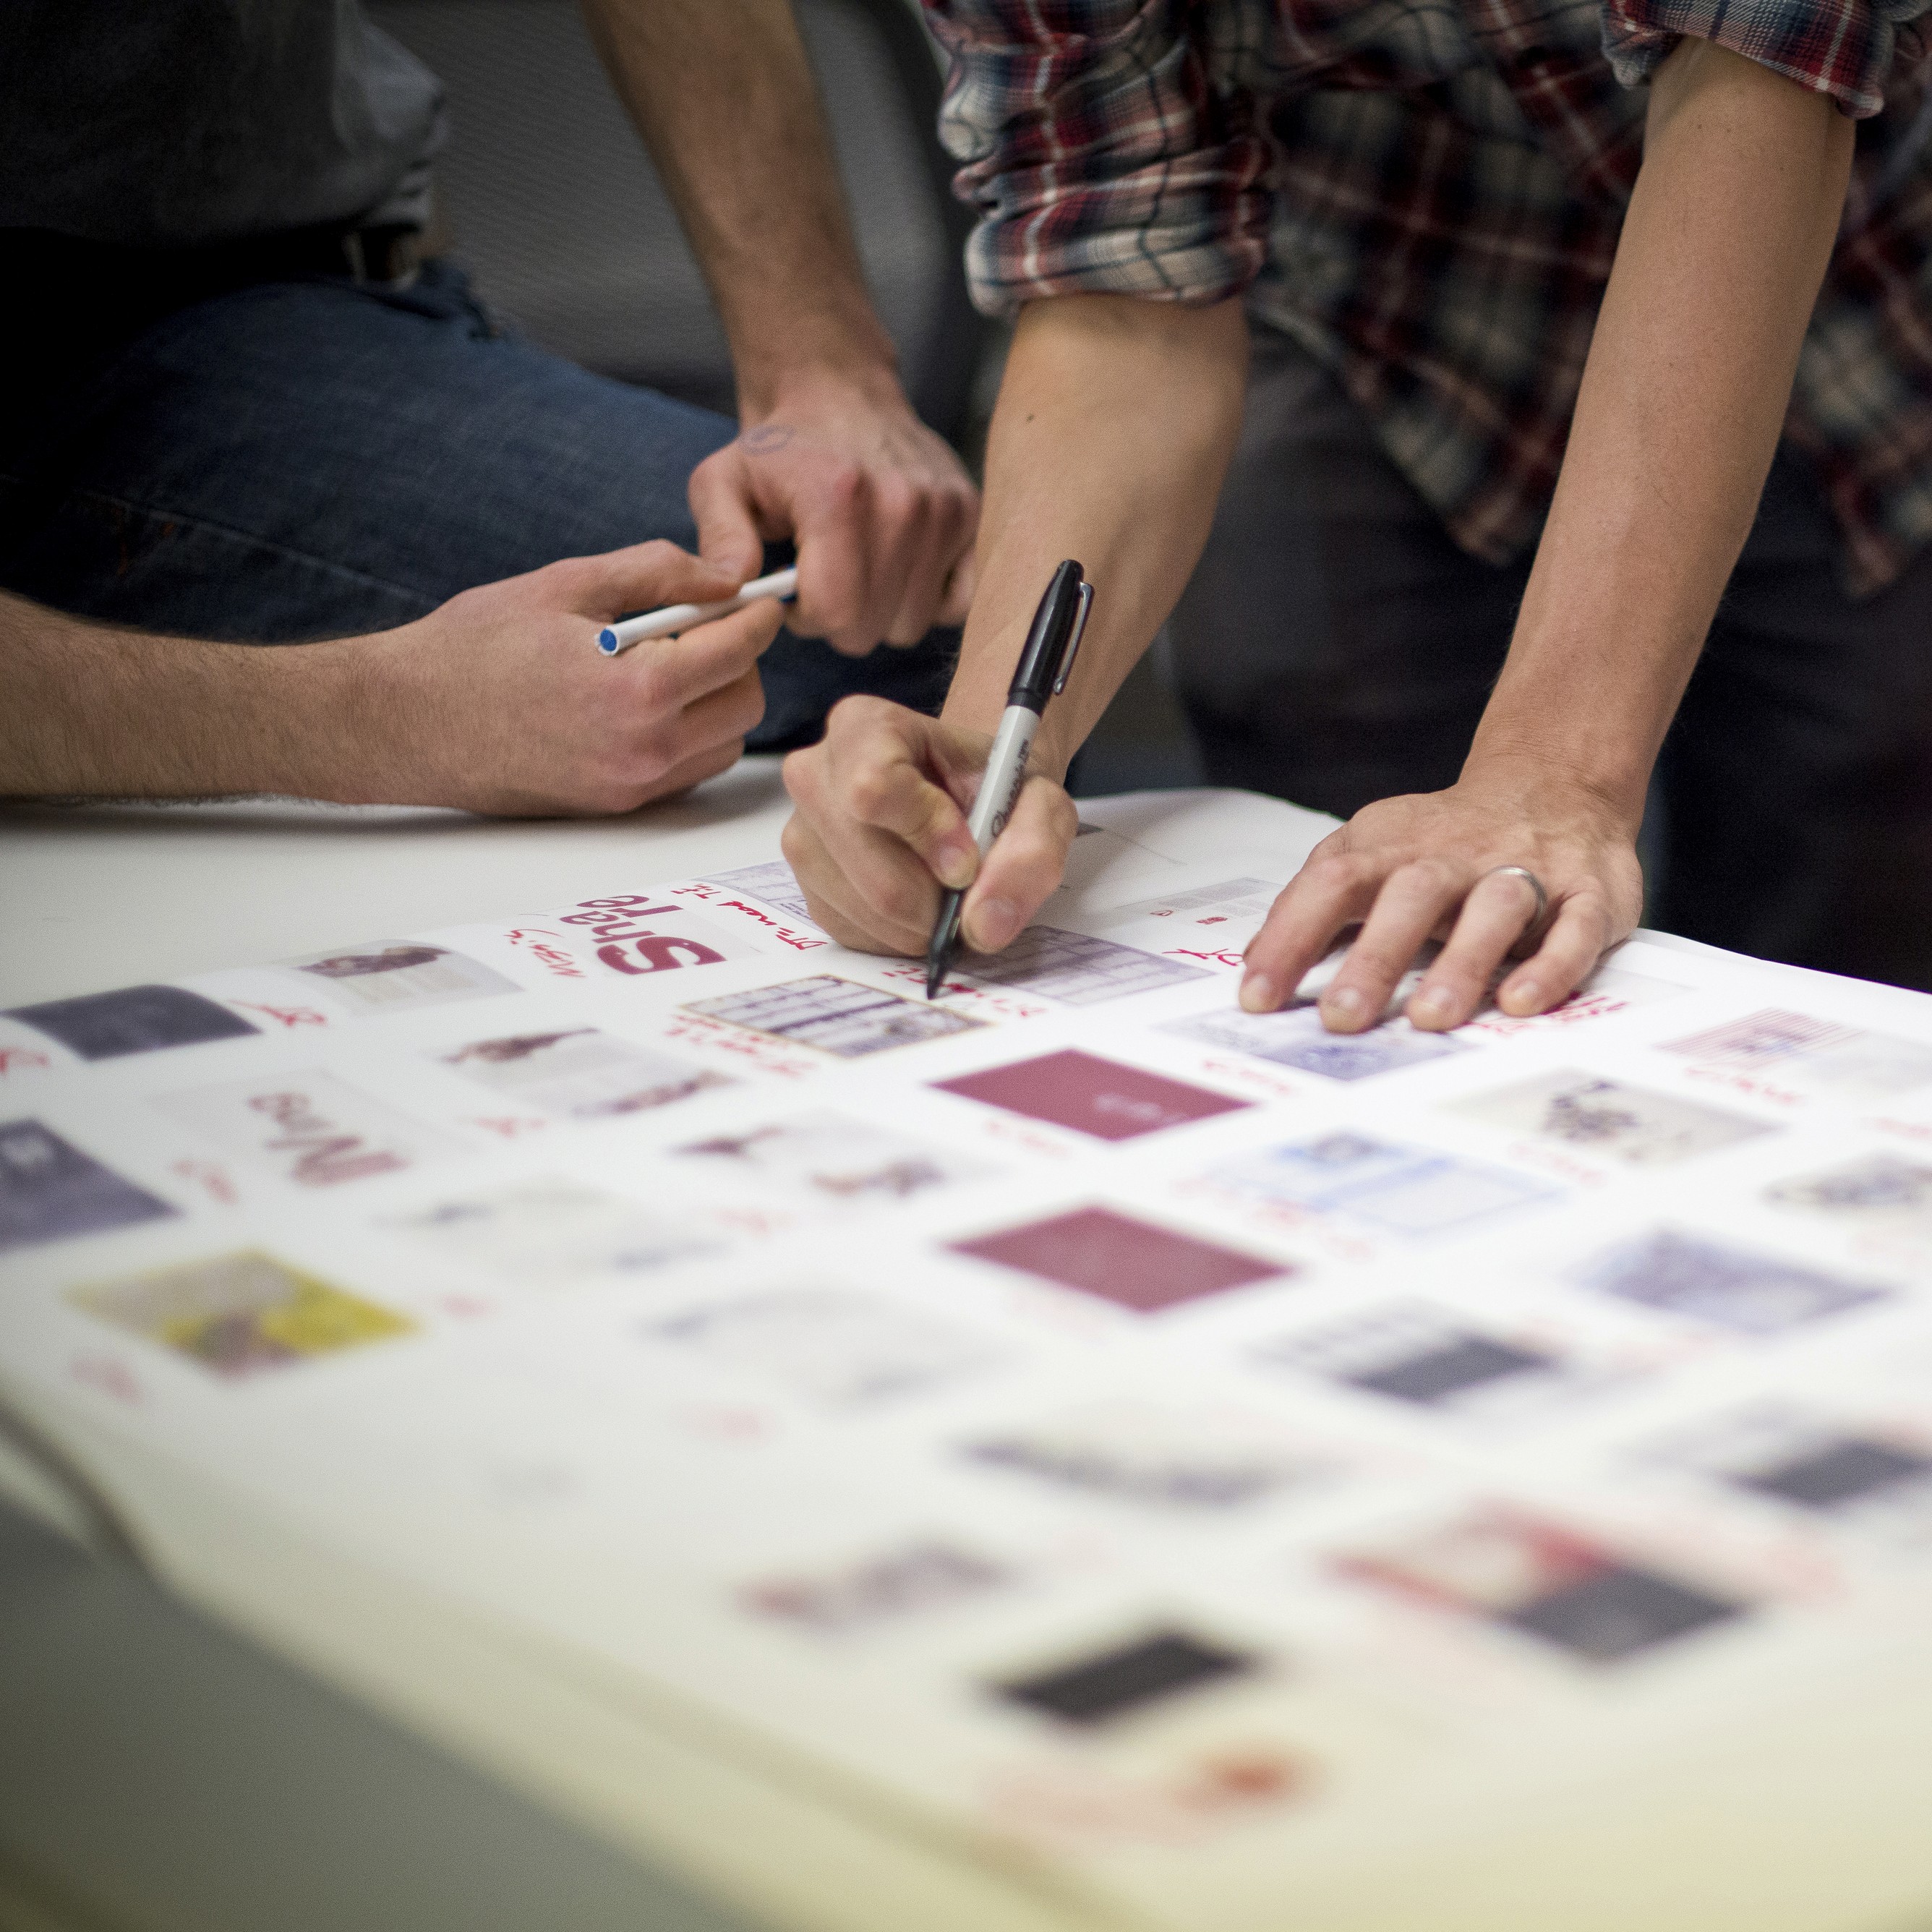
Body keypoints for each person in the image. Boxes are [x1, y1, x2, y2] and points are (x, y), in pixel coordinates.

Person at [782, 0, 1932, 1026]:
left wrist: (1556, 774)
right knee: (1349, 859)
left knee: (1851, 871)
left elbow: (1757, 80)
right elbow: (1120, 280)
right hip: (1372, 281)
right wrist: (992, 761)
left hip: (1847, 290)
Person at [0, 0, 978, 812]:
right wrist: (381, 718)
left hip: (289, 291)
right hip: (58, 356)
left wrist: (820, 370)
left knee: (900, 604)